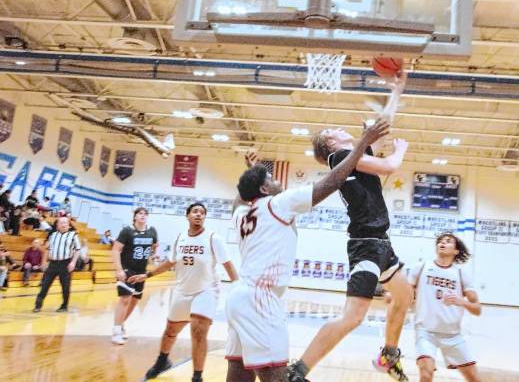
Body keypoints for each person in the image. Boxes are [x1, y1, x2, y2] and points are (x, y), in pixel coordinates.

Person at [228, 119, 390, 382]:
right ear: (264, 189)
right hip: (261, 299)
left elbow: (239, 200)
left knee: (238, 371)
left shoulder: (242, 214)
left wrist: (253, 171)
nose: (277, 179)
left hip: (237, 299)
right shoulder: (278, 203)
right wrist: (364, 141)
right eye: (270, 177)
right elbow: (333, 180)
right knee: (278, 375)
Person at [289, 80, 413, 382]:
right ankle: (298, 371)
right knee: (353, 317)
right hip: (365, 245)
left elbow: (383, 127)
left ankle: (388, 356)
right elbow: (390, 166)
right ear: (330, 144)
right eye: (333, 130)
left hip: (381, 243)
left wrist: (397, 90)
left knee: (405, 296)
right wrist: (400, 152)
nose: (340, 128)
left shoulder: (355, 154)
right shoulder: (340, 158)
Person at [132, 202, 238, 382]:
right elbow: (170, 262)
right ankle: (162, 361)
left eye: (202, 212)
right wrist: (148, 274)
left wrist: (237, 288)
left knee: (198, 330)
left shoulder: (213, 238)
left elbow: (228, 264)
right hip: (182, 291)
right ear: (187, 215)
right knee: (170, 331)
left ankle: (197, 376)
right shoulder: (180, 237)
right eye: (195, 211)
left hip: (206, 290)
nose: (199, 215)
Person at [408, 233, 482, 382]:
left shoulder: (461, 274)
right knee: (426, 374)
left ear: (456, 251)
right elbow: (406, 293)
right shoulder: (421, 267)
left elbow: (477, 309)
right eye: (440, 241)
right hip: (425, 331)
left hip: (453, 335)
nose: (442, 243)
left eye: (448, 242)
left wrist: (461, 301)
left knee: (474, 379)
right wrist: (395, 296)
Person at [111, 207, 157, 345]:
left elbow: (155, 246)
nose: (143, 216)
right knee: (125, 299)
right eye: (140, 213)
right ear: (135, 217)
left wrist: (152, 256)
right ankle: (116, 331)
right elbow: (116, 249)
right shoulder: (127, 231)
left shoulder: (152, 231)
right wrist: (119, 269)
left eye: (145, 214)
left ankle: (121, 324)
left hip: (141, 271)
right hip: (127, 269)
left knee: (135, 300)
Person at [33, 216, 80, 312]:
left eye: (65, 223)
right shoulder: (53, 235)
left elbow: (77, 249)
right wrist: (44, 262)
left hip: (65, 264)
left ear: (69, 225)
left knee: (65, 286)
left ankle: (64, 306)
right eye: (61, 223)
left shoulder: (73, 235)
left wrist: (73, 262)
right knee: (45, 285)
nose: (63, 224)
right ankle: (38, 305)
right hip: (53, 264)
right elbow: (47, 249)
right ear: (57, 225)